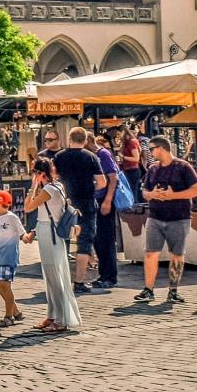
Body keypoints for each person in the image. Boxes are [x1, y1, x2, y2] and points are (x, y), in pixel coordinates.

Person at [133, 136, 197, 307]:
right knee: (150, 253)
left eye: (152, 148)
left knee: (176, 255)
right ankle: (148, 289)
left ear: (162, 148)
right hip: (155, 216)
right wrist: (151, 195)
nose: (149, 152)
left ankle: (173, 290)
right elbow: (145, 191)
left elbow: (196, 190)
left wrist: (173, 195)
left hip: (179, 217)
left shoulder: (183, 167)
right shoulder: (153, 169)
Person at [24, 161, 79, 333]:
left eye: (34, 172)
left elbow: (28, 207)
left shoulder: (48, 190)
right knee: (51, 276)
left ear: (41, 173)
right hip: (47, 231)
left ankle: (61, 319)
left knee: (55, 276)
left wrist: (33, 185)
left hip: (51, 235)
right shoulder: (58, 186)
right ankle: (53, 315)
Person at [51, 127, 103, 293]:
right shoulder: (91, 157)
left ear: (69, 139)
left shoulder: (59, 156)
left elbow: (54, 177)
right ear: (85, 140)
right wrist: (91, 187)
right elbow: (102, 182)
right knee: (84, 242)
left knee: (62, 238)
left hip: (66, 203)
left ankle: (61, 279)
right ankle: (79, 281)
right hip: (86, 203)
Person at [0, 190, 25, 326]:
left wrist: (29, 237)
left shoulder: (12, 218)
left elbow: (22, 234)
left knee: (5, 285)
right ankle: (16, 312)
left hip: (9, 257)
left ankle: (8, 316)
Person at [91, 130, 122, 290]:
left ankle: (110, 276)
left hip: (104, 200)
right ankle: (103, 275)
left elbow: (113, 178)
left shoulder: (103, 154)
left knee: (106, 239)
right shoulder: (95, 155)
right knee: (97, 239)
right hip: (96, 200)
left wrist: (108, 201)